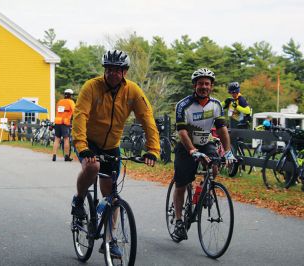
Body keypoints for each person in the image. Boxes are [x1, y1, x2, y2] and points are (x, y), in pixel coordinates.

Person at [70, 50, 160, 257]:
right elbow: (80, 115)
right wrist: (83, 146)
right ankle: (79, 198)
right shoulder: (91, 87)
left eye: (117, 70)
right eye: (109, 69)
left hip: (111, 145)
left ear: (125, 72)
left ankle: (109, 242)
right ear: (105, 70)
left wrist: (153, 150)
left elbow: (147, 119)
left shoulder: (133, 91)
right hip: (89, 142)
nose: (112, 74)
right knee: (93, 166)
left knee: (112, 196)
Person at [172, 68, 236, 242]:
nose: (204, 87)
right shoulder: (183, 105)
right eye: (200, 83)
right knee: (181, 184)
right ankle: (178, 221)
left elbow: (222, 129)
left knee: (215, 163)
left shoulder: (216, 105)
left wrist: (228, 151)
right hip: (186, 146)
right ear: (194, 85)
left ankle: (203, 191)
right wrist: (192, 150)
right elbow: (182, 131)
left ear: (211, 86)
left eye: (207, 84)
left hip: (205, 142)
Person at [52, 89, 75, 162]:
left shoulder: (59, 102)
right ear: (70, 95)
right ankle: (66, 156)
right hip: (65, 123)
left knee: (57, 139)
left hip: (57, 122)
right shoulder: (71, 102)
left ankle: (54, 155)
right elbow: (75, 111)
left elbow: (57, 112)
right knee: (66, 139)